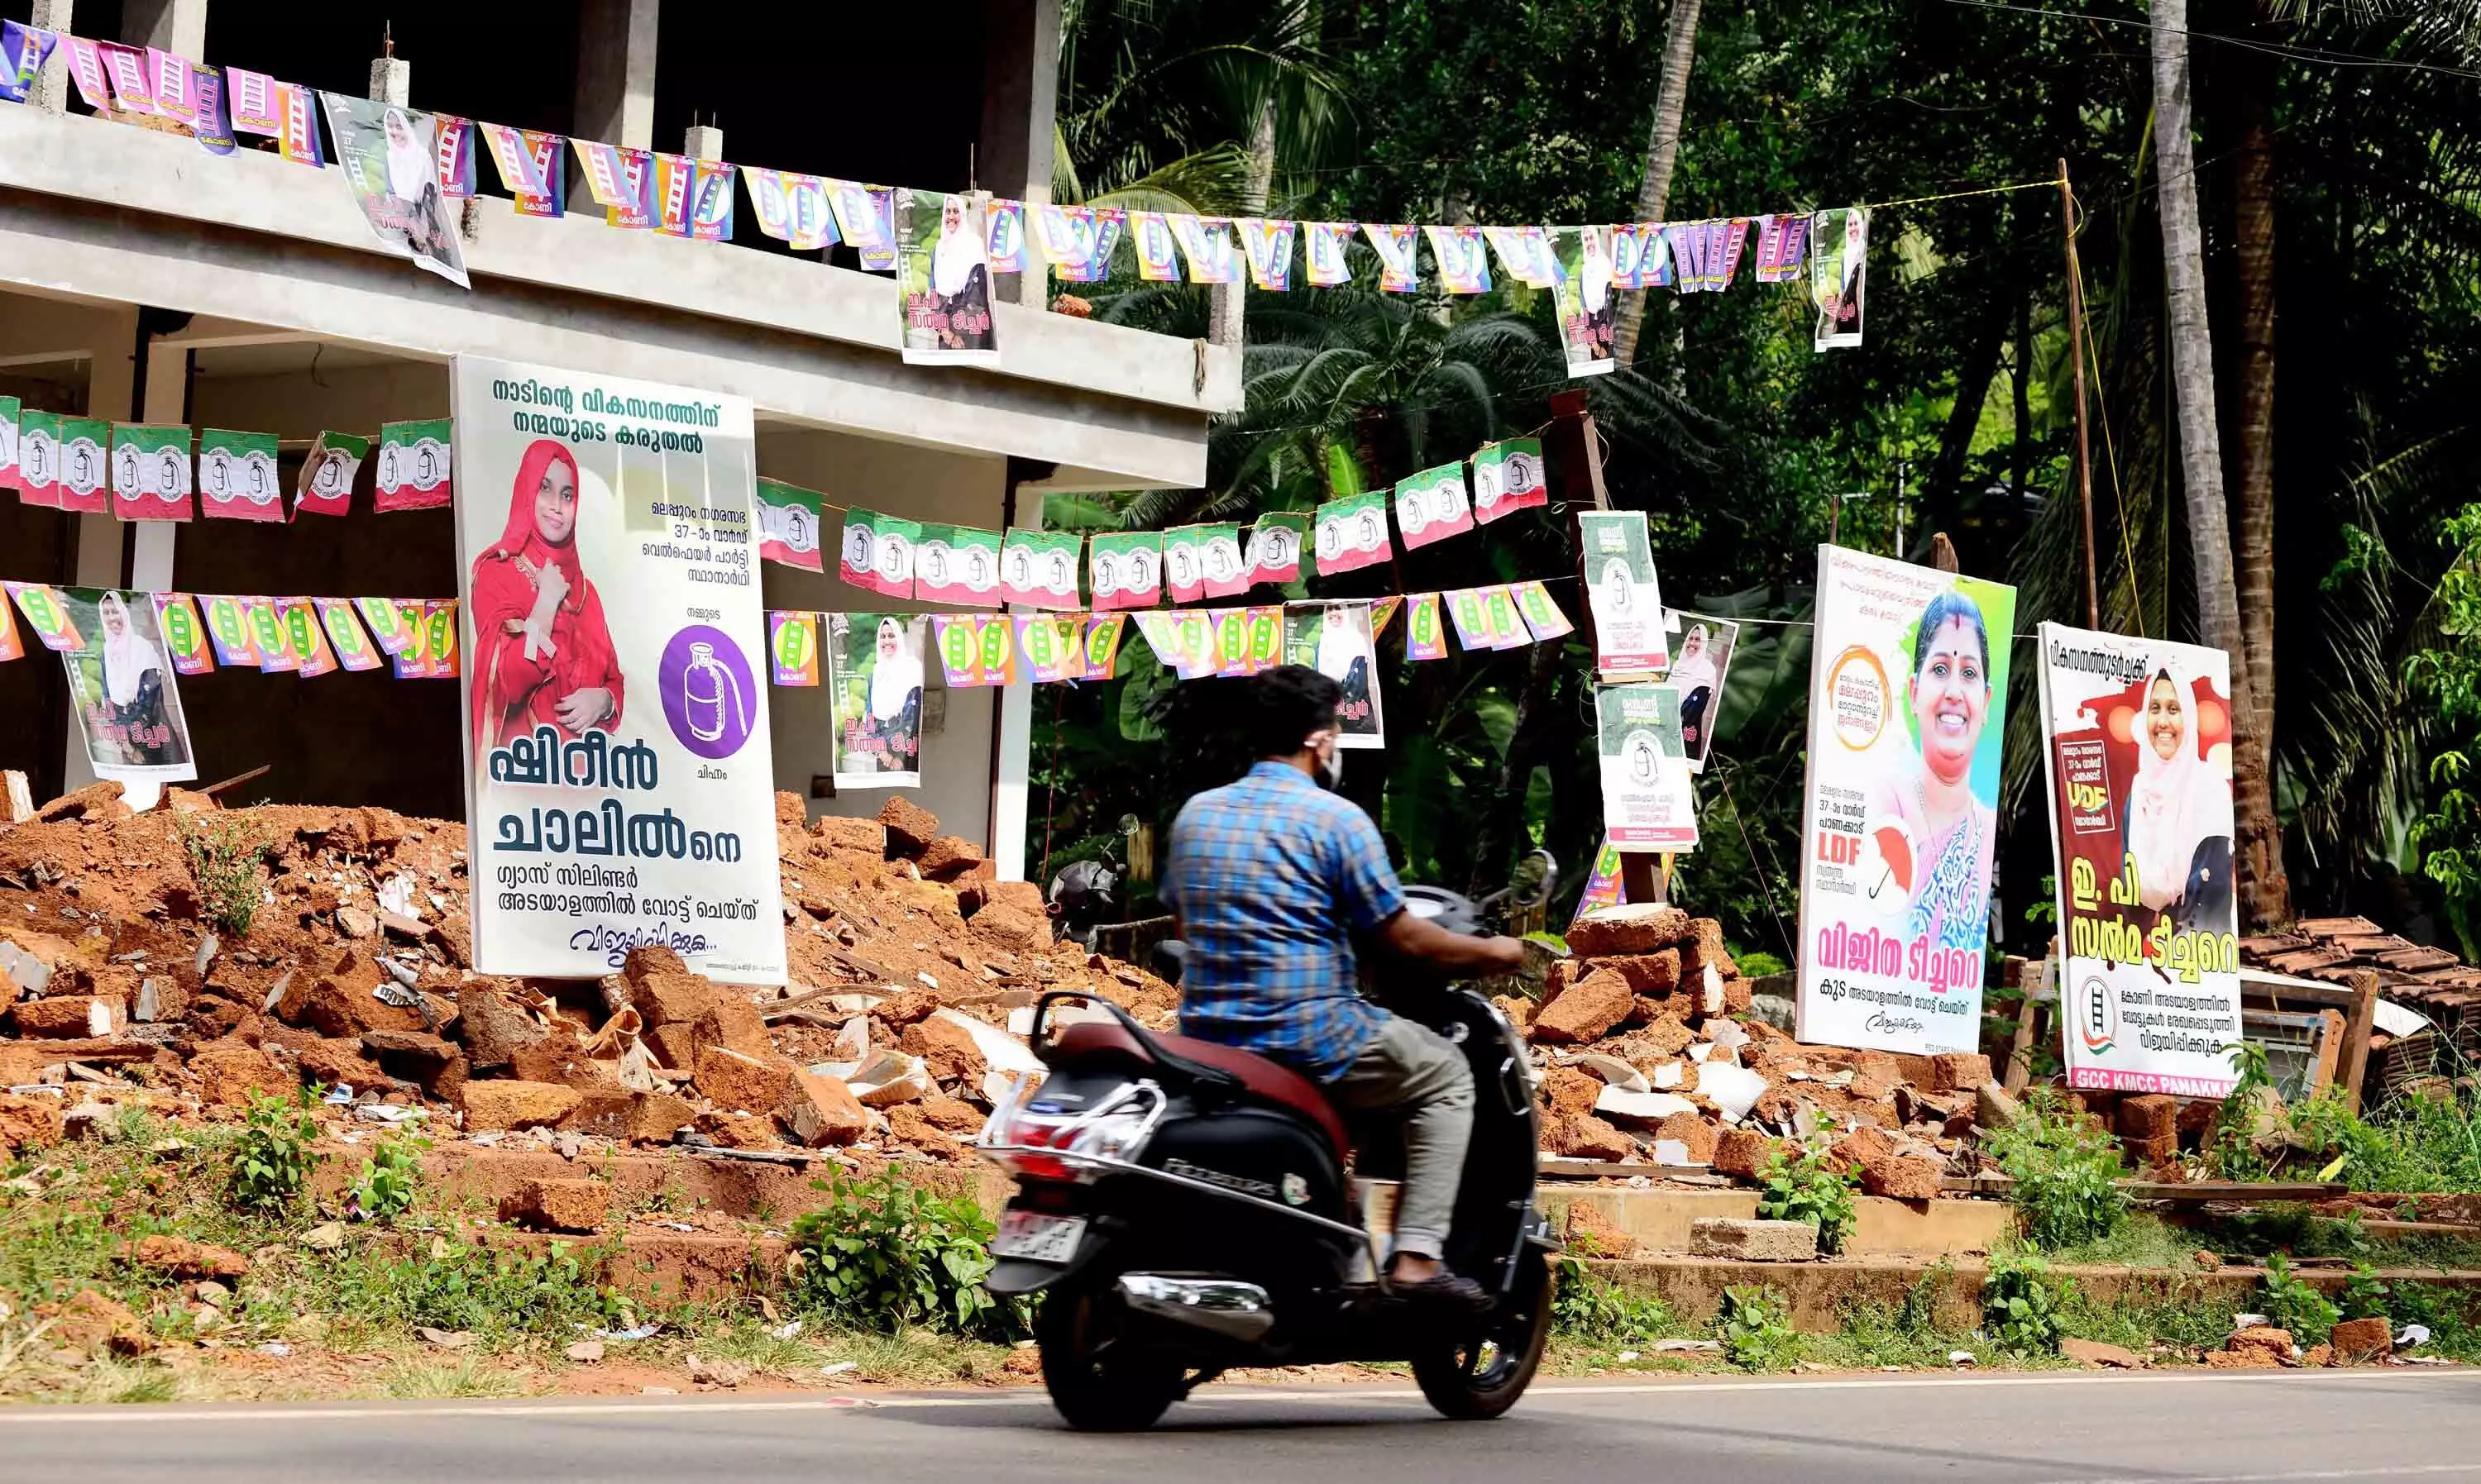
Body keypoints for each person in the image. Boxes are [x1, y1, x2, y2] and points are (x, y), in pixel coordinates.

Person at [1161, 666, 1523, 1308]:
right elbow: (1404, 938)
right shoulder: (1335, 820)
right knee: (1444, 1074)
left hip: (1207, 1040)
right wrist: (1496, 950)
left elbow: (1187, 921)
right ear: (1319, 739)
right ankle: (1416, 1257)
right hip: (1306, 1035)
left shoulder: (1197, 813)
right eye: (1334, 731)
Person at [468, 439, 624, 752]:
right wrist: (546, 603)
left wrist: (604, 701)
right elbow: (509, 681)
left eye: (567, 495)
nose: (557, 505)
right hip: (525, 773)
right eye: (545, 488)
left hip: (591, 778)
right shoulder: (496, 573)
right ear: (527, 492)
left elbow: (612, 677)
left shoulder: (586, 593)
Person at [1870, 590, 1996, 950]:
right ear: (1913, 692)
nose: (1955, 691)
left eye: (1969, 673)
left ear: (1985, 702)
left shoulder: (1986, 827)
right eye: (1940, 669)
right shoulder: (1886, 800)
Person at [2123, 662, 2235, 928]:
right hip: (2145, 954)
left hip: (2201, 950)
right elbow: (2129, 893)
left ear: (2189, 717)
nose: (2163, 722)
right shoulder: (2138, 793)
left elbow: (2212, 895)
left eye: (2174, 710)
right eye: (2155, 708)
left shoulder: (2210, 789)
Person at [93, 592, 175, 766]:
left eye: (115, 611)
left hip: (148, 734)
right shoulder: (107, 653)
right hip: (123, 737)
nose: (111, 617)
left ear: (124, 612)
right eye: (106, 613)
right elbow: (107, 695)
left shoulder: (142, 649)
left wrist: (131, 741)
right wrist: (125, 743)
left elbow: (149, 702)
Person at [927, 193, 992, 351]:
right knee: (945, 374)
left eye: (955, 211)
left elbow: (976, 293)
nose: (951, 216)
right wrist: (944, 330)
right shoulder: (938, 248)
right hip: (946, 330)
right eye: (947, 212)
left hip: (970, 327)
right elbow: (934, 291)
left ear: (962, 214)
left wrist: (958, 333)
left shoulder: (974, 244)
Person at [859, 617, 925, 771]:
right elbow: (870, 715)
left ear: (900, 638)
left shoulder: (912, 669)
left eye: (891, 635)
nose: (887, 641)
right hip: (882, 752)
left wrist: (896, 756)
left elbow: (911, 717)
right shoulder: (875, 674)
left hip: (905, 751)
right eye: (883, 637)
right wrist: (883, 754)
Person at [1669, 623, 1721, 761]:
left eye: (1698, 640)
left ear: (1704, 643)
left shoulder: (1707, 670)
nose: (1692, 643)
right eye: (1690, 638)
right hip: (1665, 727)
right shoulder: (1678, 665)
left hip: (1685, 734)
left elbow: (1695, 707)